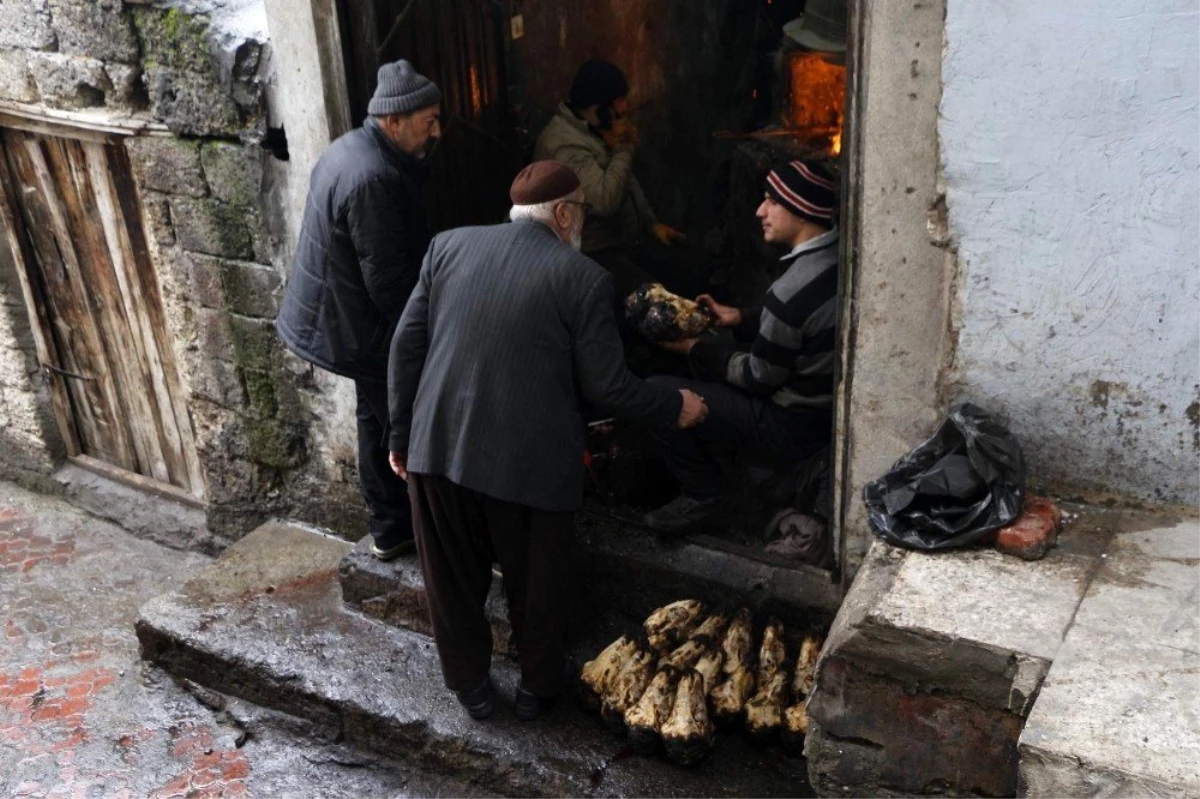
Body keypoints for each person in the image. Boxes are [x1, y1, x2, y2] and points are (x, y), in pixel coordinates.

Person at [387, 161, 708, 722]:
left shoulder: (448, 246)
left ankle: (471, 688)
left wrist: (399, 435)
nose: (582, 220)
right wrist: (673, 405)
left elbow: (404, 348)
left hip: (436, 449)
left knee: (450, 579)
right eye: (581, 208)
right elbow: (607, 387)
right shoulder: (581, 277)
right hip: (527, 467)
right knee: (536, 583)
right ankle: (538, 689)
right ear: (563, 214)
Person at [276, 60, 441, 561]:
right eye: (427, 121)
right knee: (401, 419)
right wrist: (424, 338)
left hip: (338, 316)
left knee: (376, 416)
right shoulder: (372, 177)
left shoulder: (357, 148)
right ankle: (410, 528)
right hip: (351, 324)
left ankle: (393, 529)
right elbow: (389, 282)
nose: (437, 131)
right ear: (393, 121)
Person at [643, 160, 839, 533]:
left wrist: (693, 348)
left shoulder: (790, 290)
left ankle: (706, 497)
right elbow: (798, 322)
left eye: (771, 201)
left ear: (801, 210)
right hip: (820, 416)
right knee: (717, 355)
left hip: (789, 427)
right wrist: (740, 317)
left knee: (658, 393)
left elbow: (758, 377)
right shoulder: (834, 258)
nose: (759, 210)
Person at [533, 59, 691, 301]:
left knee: (689, 269)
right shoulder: (565, 144)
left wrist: (652, 224)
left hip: (621, 243)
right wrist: (624, 148)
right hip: (591, 254)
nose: (625, 110)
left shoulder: (592, 128)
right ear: (598, 108)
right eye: (619, 103)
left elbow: (625, 178)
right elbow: (605, 200)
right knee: (655, 303)